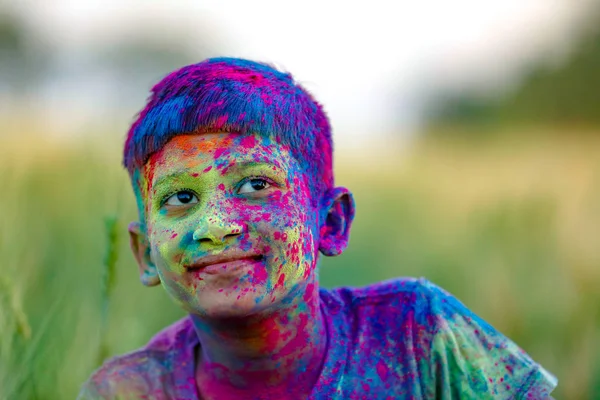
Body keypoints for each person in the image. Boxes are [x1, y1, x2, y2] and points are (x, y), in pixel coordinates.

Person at [78, 57, 557, 399]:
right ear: (145, 255)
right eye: (181, 198)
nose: (216, 226)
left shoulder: (418, 335)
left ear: (329, 222)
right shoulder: (125, 391)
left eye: (255, 184)